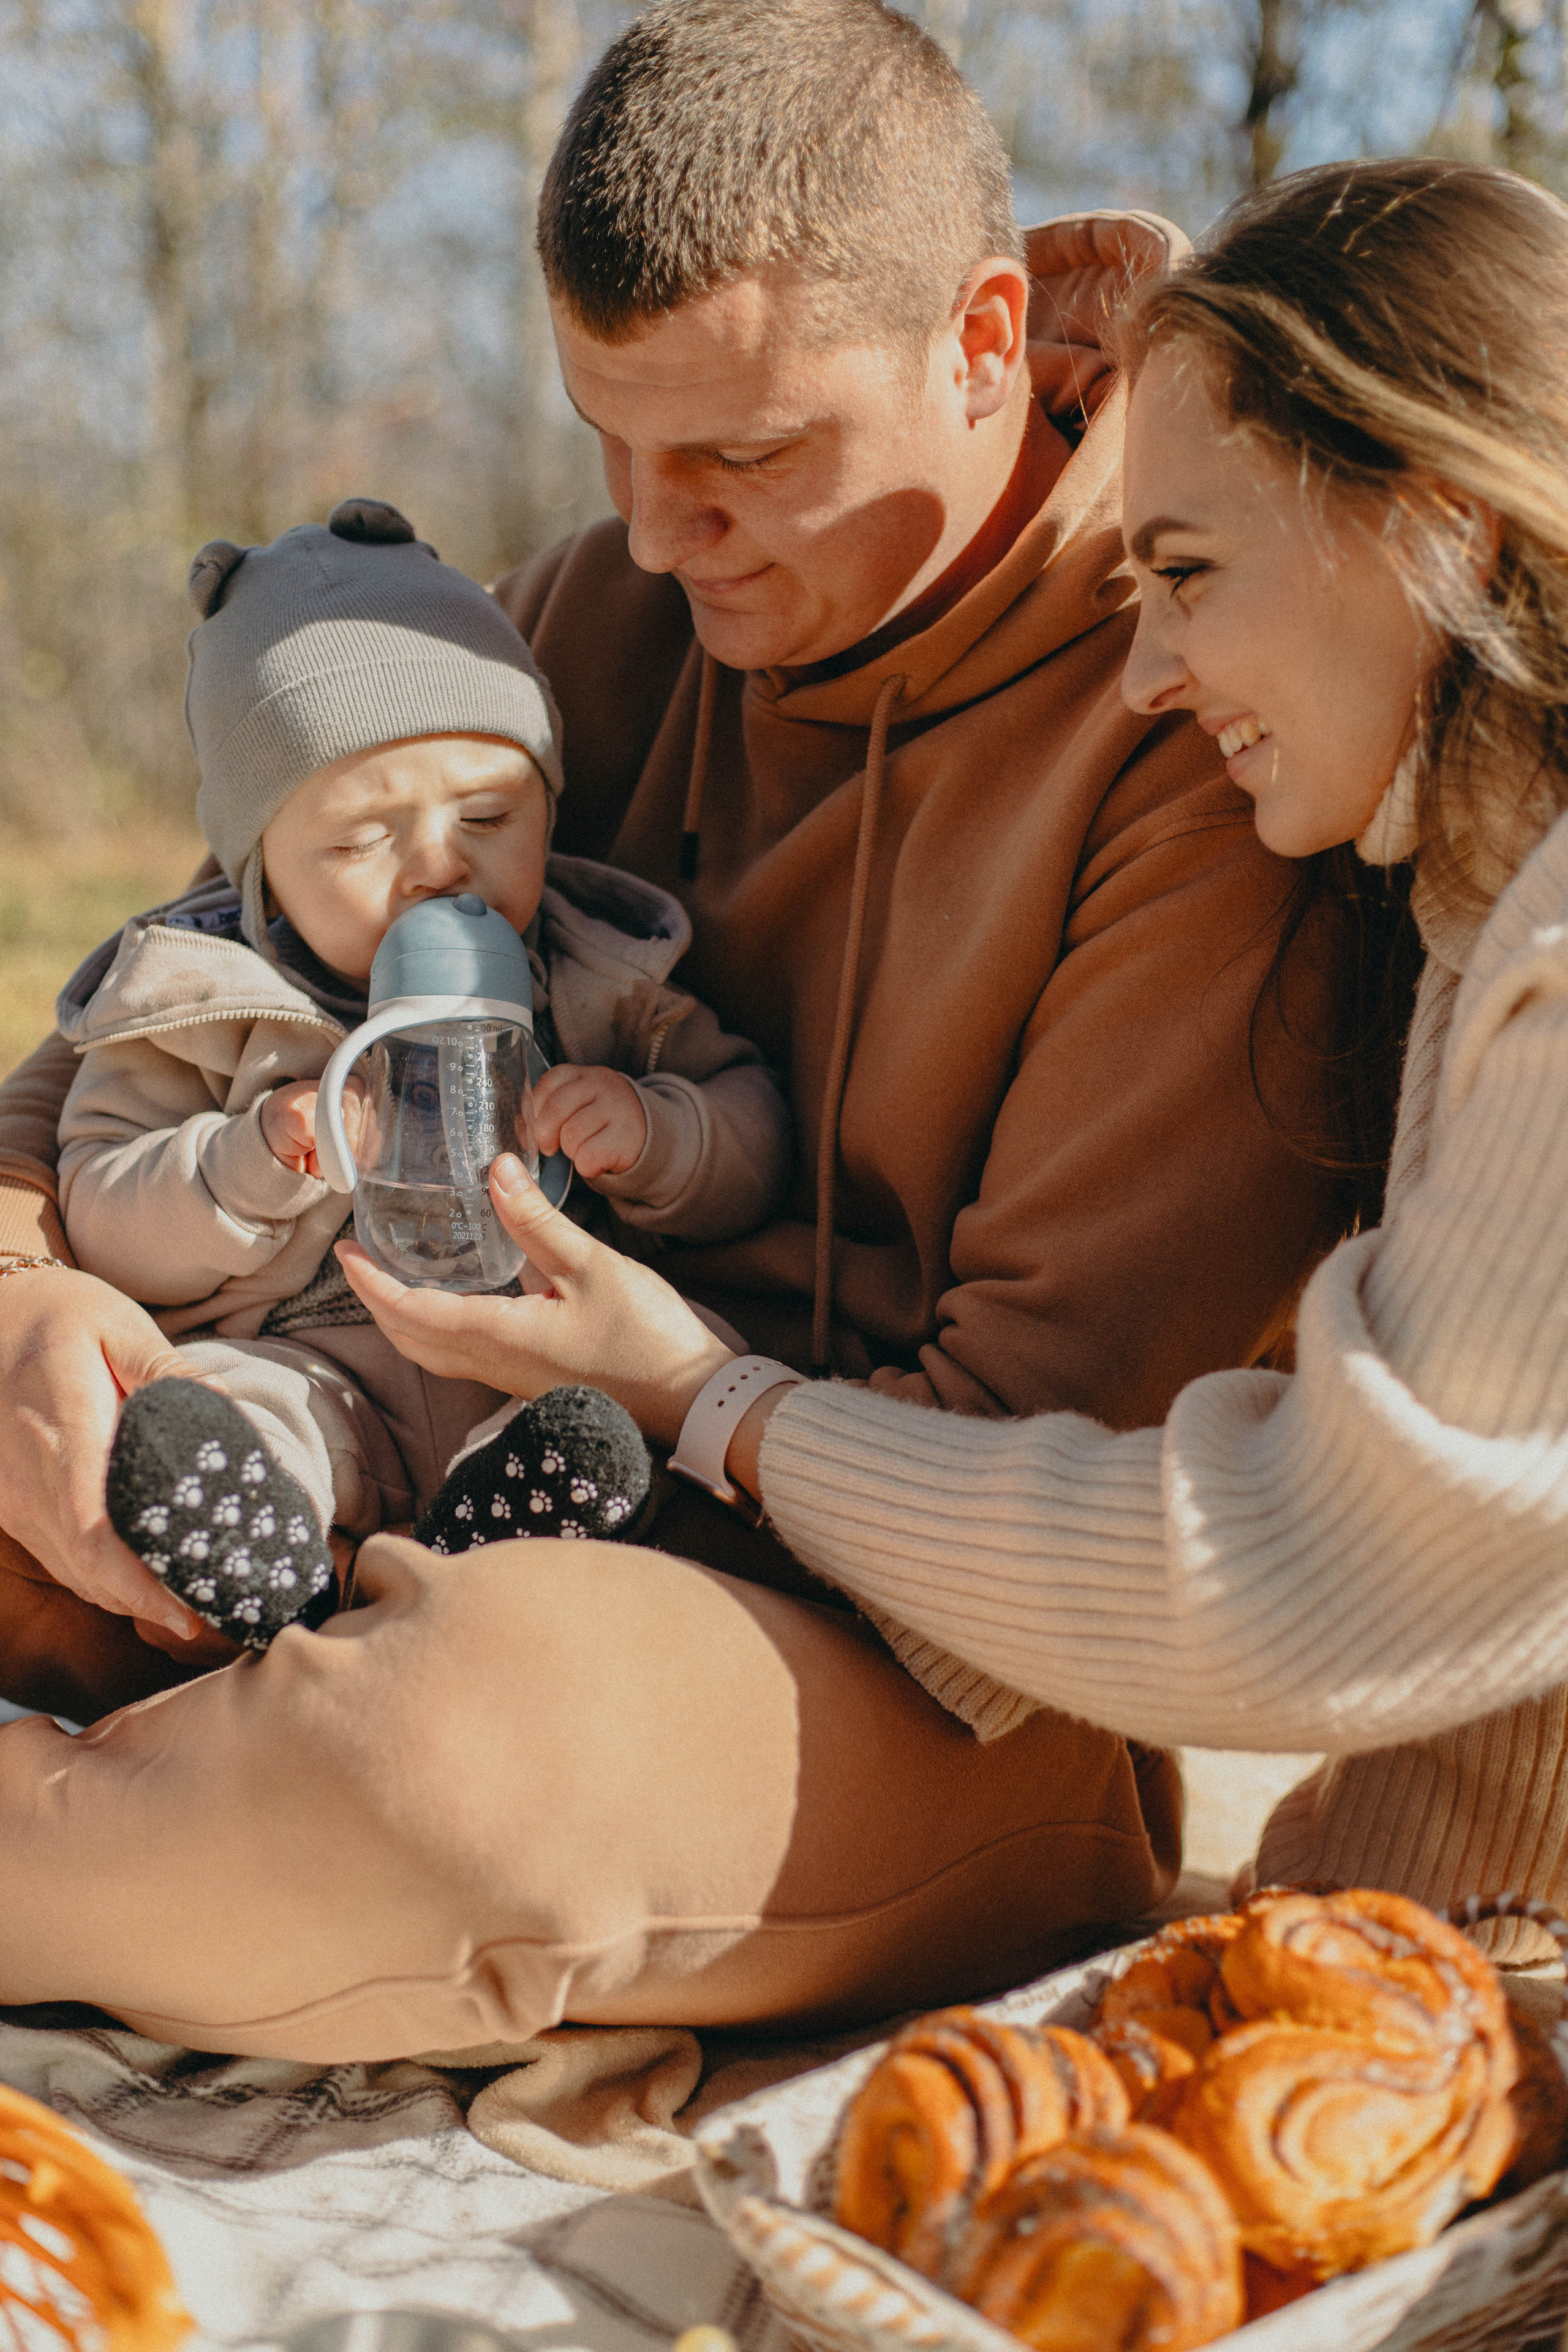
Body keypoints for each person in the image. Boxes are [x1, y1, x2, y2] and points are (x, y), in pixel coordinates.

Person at [0, 0, 1362, 2052]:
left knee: (459, 1759)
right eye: (608, 444)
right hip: (373, 1441)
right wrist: (25, 1301)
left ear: (986, 345)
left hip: (907, 1650)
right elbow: (152, 1010)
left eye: (741, 455)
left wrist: (672, 1392)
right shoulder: (594, 619)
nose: (654, 532)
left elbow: (1045, 1470)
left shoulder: (1198, 717)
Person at [338, 154, 1568, 1970]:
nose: (1146, 667)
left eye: (1194, 572)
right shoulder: (1470, 899)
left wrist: (711, 1398)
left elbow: (1305, 1568)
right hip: (1437, 1957)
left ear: (1446, 525)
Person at [55, 496, 788, 1640]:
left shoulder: (602, 975)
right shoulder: (204, 1007)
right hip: (311, 1359)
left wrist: (656, 1134)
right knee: (233, 1408)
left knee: (604, 1421)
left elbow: (754, 1134)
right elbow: (100, 1203)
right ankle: (265, 1555)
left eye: (492, 813)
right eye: (357, 841)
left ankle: (521, 1522)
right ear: (260, 875)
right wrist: (251, 1160)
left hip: (543, 1354)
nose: (440, 867)